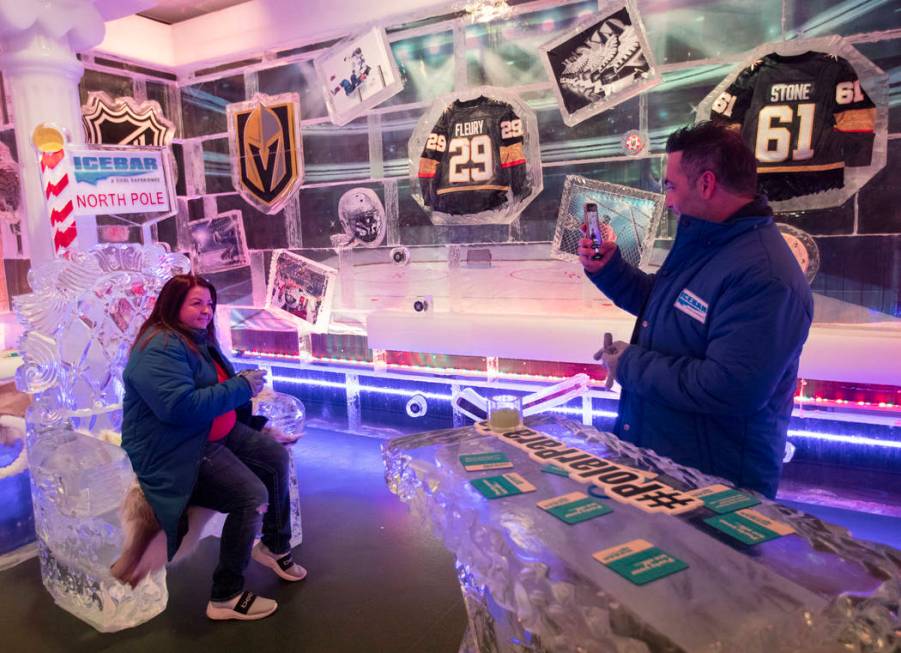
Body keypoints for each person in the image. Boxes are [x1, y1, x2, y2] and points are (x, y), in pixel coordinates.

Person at [579, 121, 813, 498]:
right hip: (664, 467)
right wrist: (607, 269)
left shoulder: (765, 277)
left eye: (671, 186)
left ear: (705, 184)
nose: (668, 200)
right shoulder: (710, 245)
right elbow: (668, 305)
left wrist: (630, 365)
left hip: (713, 492)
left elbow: (728, 388)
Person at [118, 274, 306, 621]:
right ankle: (225, 597)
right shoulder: (159, 345)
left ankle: (274, 545)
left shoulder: (195, 339)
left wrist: (259, 425)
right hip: (180, 445)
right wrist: (241, 387)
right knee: (251, 497)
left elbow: (216, 396)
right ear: (173, 304)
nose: (206, 310)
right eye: (196, 303)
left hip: (213, 433)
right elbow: (179, 408)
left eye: (209, 304)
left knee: (275, 458)